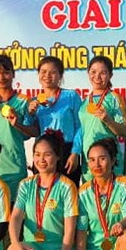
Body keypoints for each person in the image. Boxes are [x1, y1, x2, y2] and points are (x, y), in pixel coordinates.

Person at [5, 131, 79, 250]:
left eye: (47, 154)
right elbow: (15, 217)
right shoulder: (26, 184)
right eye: (37, 154)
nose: (41, 159)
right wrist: (16, 243)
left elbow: (70, 232)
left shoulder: (67, 186)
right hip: (35, 249)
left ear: (57, 156)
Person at [0, 54, 38, 199]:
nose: (1, 77)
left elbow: (34, 131)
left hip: (15, 166)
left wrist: (18, 124)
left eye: (5, 72)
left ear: (13, 74)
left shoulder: (24, 102)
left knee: (15, 214)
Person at [26, 56, 82, 184]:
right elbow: (28, 131)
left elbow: (80, 126)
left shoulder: (71, 96)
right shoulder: (34, 101)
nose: (47, 75)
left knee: (68, 195)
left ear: (60, 76)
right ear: (38, 74)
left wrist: (75, 153)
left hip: (67, 153)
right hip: (43, 154)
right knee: (42, 196)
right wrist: (30, 113)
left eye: (52, 72)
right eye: (43, 71)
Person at [75, 56, 126, 181]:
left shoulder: (114, 98)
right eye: (93, 72)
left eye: (103, 73)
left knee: (113, 199)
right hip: (89, 163)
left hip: (109, 162)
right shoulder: (84, 102)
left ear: (110, 75)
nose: (97, 77)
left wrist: (108, 120)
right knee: (90, 198)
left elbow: (124, 131)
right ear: (88, 73)